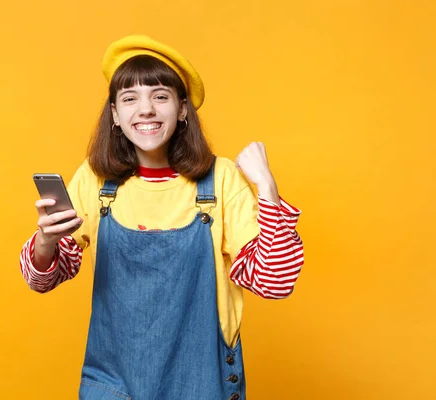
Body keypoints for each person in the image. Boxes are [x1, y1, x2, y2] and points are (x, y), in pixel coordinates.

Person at [19, 35, 304, 400]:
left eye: (160, 95)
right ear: (115, 116)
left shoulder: (222, 179)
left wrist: (267, 187)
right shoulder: (95, 179)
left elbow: (275, 282)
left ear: (183, 109)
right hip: (115, 386)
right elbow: (41, 280)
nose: (146, 109)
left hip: (203, 384)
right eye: (130, 98)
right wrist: (46, 241)